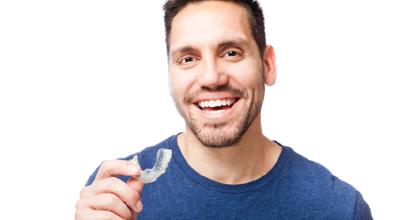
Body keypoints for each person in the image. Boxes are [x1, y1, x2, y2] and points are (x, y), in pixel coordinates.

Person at [75, 0, 373, 219]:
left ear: (267, 65)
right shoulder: (114, 194)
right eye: (188, 59)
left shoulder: (339, 209)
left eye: (231, 52)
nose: (211, 78)